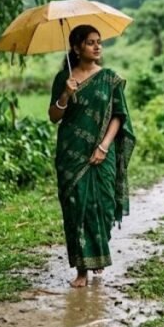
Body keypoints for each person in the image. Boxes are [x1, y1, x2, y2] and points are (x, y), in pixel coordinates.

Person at [48, 24, 134, 288]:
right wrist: (66, 94)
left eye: (99, 42)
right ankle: (82, 270)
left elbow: (119, 116)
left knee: (103, 207)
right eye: (90, 42)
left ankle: (98, 254)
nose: (97, 47)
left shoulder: (109, 78)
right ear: (76, 48)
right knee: (76, 209)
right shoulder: (64, 78)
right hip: (71, 154)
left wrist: (104, 146)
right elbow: (54, 116)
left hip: (101, 153)